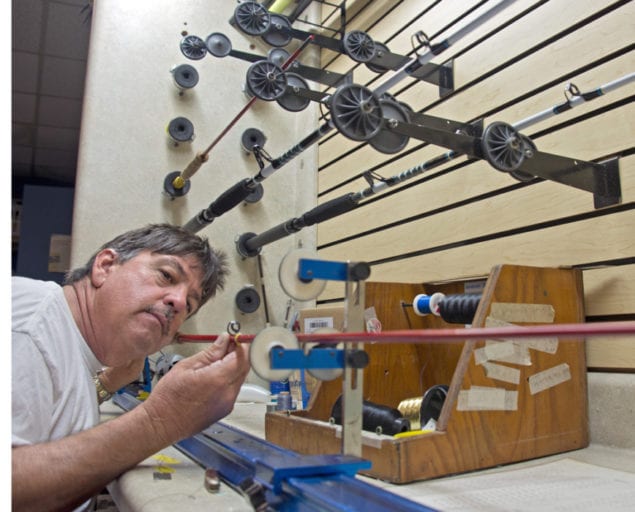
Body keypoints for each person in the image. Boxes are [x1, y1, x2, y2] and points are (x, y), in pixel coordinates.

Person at [12, 223, 251, 512]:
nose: (177, 302)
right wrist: (162, 420)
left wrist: (107, 385)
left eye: (189, 304)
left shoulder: (66, 341)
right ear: (106, 265)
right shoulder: (27, 325)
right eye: (166, 275)